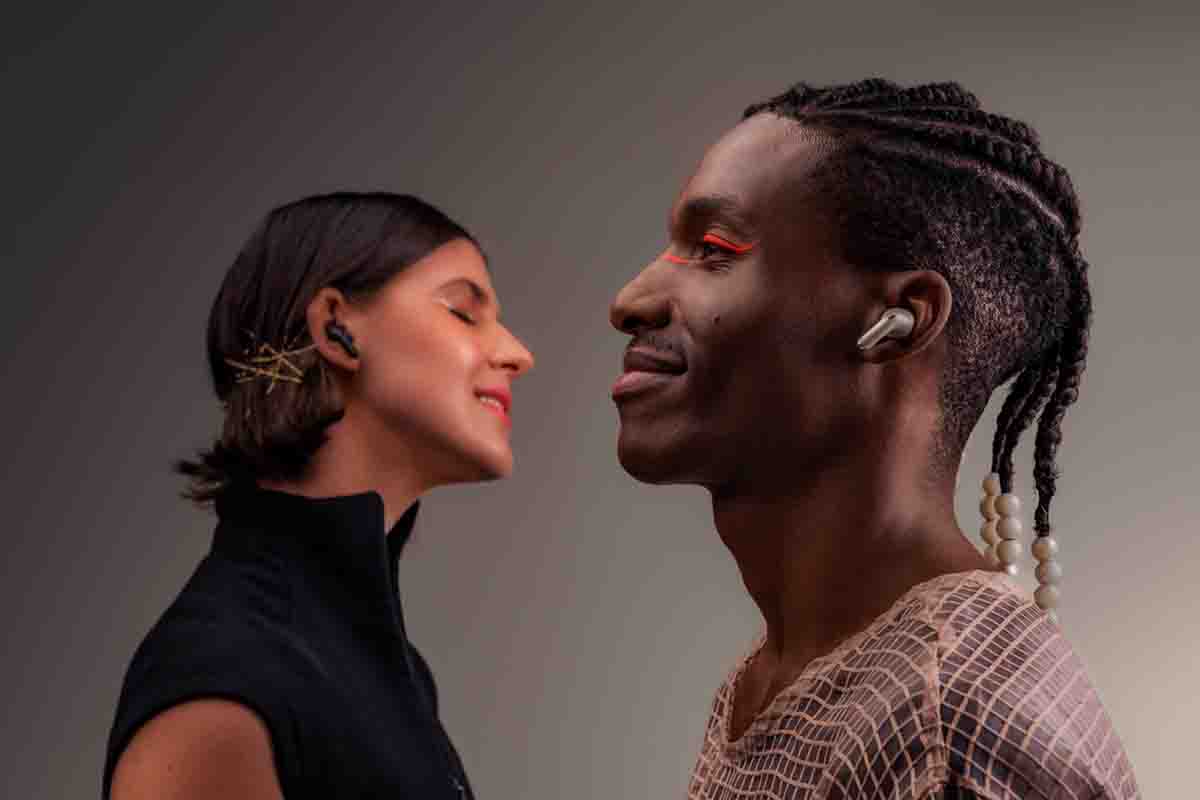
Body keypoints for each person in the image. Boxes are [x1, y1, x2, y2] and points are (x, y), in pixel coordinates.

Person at [609, 79, 1138, 799]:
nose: (630, 301)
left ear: (900, 321)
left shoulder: (952, 719)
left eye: (714, 249)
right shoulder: (774, 682)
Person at [103, 192, 533, 799]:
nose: (517, 353)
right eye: (464, 312)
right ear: (336, 326)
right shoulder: (226, 679)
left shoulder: (389, 671)